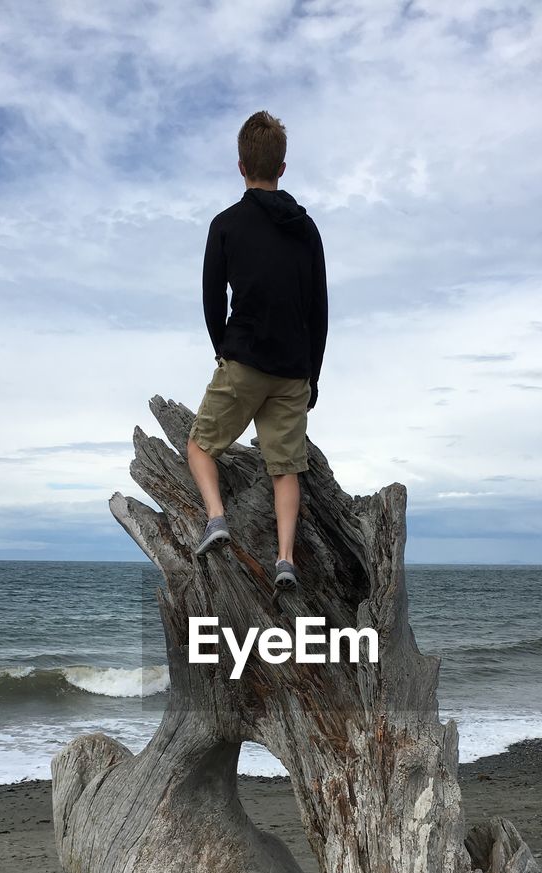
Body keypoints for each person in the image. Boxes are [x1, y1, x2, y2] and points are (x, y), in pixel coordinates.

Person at [186, 110, 328, 590]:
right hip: (293, 370)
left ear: (241, 166)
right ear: (282, 168)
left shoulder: (225, 225)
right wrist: (313, 374)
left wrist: (223, 350)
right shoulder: (306, 229)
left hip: (243, 360)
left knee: (200, 446)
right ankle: (285, 561)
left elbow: (212, 299)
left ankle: (216, 519)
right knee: (284, 469)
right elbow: (319, 307)